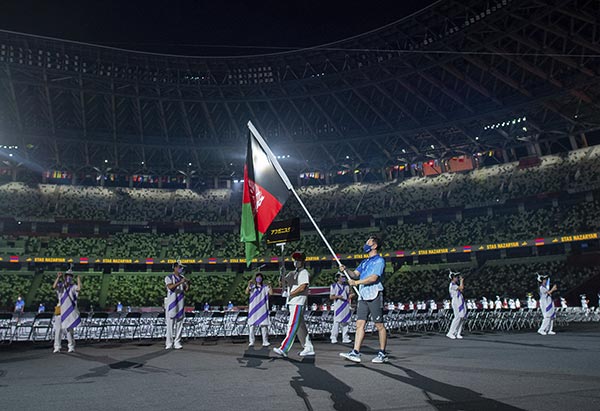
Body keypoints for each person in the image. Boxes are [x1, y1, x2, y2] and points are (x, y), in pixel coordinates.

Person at [339, 235, 388, 364]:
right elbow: (354, 274)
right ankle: (355, 352)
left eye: (368, 242)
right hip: (363, 296)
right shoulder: (365, 262)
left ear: (375, 245)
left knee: (379, 325)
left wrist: (356, 283)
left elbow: (373, 278)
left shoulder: (379, 261)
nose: (365, 244)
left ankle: (382, 353)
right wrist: (346, 270)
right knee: (360, 324)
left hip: (375, 294)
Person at [273, 251, 314, 358]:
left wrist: (290, 293)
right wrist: (281, 275)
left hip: (298, 302)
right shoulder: (292, 273)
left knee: (292, 325)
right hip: (292, 302)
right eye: (295, 260)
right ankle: (308, 348)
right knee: (300, 327)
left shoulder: (304, 272)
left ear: (302, 261)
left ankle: (284, 348)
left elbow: (303, 287)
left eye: (298, 260)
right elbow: (282, 283)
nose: (296, 262)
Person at [52, 267, 81, 353]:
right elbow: (54, 286)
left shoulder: (73, 287)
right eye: (67, 276)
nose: (69, 277)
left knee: (69, 330)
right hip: (60, 310)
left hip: (69, 310)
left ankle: (71, 346)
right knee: (58, 330)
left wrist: (79, 279)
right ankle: (57, 347)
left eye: (70, 276)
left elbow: (79, 289)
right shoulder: (61, 286)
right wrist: (58, 277)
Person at [164, 260, 190, 350]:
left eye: (182, 268)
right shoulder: (169, 277)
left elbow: (186, 289)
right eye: (180, 267)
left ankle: (177, 342)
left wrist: (188, 282)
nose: (181, 269)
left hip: (180, 303)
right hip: (171, 303)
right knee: (170, 324)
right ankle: (169, 342)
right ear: (175, 268)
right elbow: (170, 287)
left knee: (180, 323)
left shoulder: (182, 277)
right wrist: (181, 282)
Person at [246, 272, 272, 347]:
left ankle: (265, 341)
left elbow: (271, 293)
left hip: (262, 309)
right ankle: (251, 341)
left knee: (264, 326)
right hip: (253, 309)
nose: (259, 278)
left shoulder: (265, 287)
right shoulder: (252, 286)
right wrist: (249, 284)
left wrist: (270, 285)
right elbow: (247, 292)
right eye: (257, 277)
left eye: (260, 277)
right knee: (251, 326)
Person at [329, 272, 353, 344]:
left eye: (344, 277)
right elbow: (331, 297)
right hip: (338, 305)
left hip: (346, 305)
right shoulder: (333, 286)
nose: (344, 278)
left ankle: (345, 337)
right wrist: (338, 297)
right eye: (342, 277)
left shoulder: (346, 286)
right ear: (338, 278)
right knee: (336, 322)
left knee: (345, 322)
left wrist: (351, 295)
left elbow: (350, 294)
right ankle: (333, 337)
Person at [446, 271, 467, 339]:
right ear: (453, 278)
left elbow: (461, 290)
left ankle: (458, 332)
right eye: (456, 277)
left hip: (460, 301)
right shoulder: (452, 285)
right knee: (457, 317)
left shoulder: (455, 285)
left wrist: (461, 282)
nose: (457, 278)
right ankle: (450, 332)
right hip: (456, 301)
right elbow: (461, 288)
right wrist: (461, 281)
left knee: (462, 317)